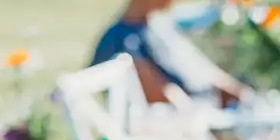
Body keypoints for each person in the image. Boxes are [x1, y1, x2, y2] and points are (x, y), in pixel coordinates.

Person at [91, 0, 247, 105]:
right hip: (174, 126)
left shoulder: (158, 24)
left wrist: (235, 91)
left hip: (202, 107)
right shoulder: (124, 40)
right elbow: (160, 97)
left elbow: (199, 68)